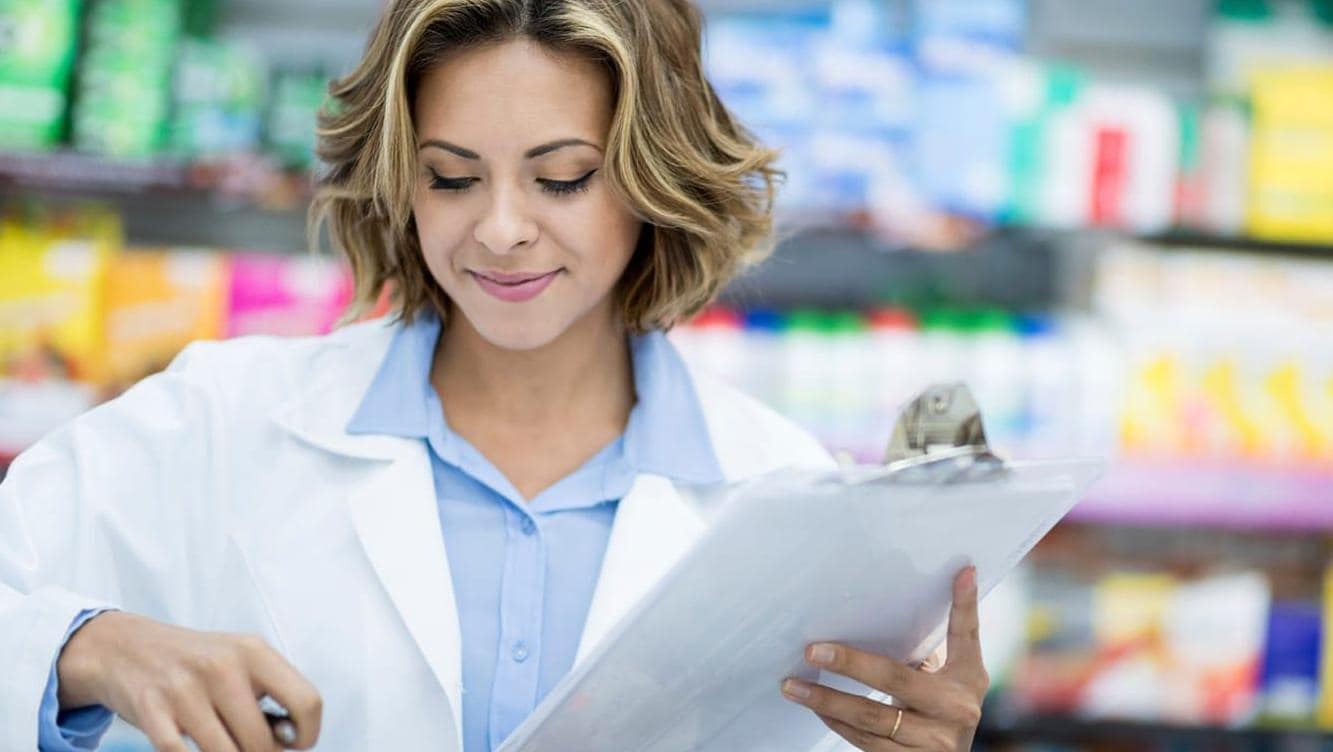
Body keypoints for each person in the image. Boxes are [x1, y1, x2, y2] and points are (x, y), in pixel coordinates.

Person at [0, 1, 990, 750]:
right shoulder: (224, 420)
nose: (502, 228)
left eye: (561, 177)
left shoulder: (784, 488)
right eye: (451, 175)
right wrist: (88, 645)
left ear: (653, 176)